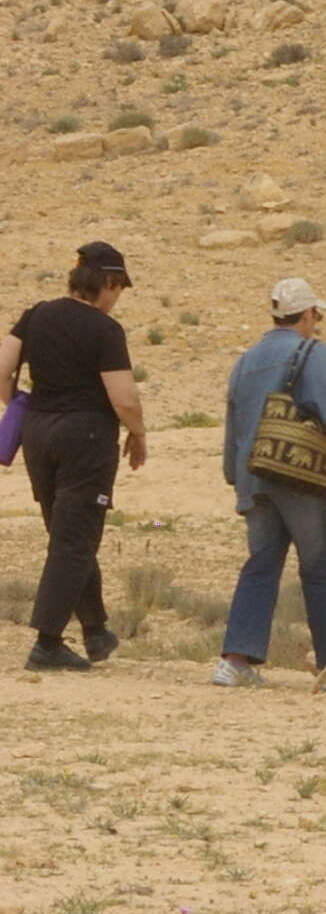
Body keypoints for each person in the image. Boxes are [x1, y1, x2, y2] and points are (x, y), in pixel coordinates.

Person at [213, 276, 326, 686]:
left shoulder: (246, 359)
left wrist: (235, 476)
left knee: (260, 565)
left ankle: (235, 662)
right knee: (318, 570)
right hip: (300, 479)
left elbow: (233, 423)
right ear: (310, 313)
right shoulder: (312, 353)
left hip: (254, 478)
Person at [1, 243, 147, 671]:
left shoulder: (37, 314)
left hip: (38, 433)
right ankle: (47, 643)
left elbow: (2, 367)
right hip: (84, 436)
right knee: (75, 538)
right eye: (118, 287)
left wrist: (18, 402)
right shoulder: (105, 330)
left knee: (68, 533)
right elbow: (124, 399)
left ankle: (96, 630)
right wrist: (138, 434)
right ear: (106, 283)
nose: (117, 296)